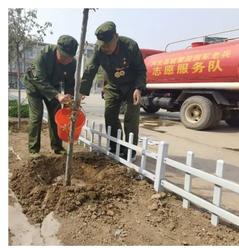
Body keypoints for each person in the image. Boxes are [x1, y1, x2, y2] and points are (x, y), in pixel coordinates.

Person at [79, 21, 146, 159]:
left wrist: (138, 88)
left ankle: (130, 150)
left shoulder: (130, 46)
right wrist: (81, 92)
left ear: (116, 37)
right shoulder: (99, 49)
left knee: (131, 118)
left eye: (108, 45)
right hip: (112, 85)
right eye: (103, 46)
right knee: (110, 115)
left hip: (131, 86)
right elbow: (90, 69)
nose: (105, 49)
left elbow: (141, 70)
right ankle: (115, 146)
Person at [23, 35, 78, 156]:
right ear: (57, 49)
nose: (67, 60)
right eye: (64, 56)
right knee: (37, 116)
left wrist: (70, 99)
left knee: (56, 115)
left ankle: (57, 147)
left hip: (53, 88)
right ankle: (33, 150)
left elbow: (69, 83)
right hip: (35, 85)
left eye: (70, 57)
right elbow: (40, 79)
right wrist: (57, 95)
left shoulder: (72, 63)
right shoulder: (44, 54)